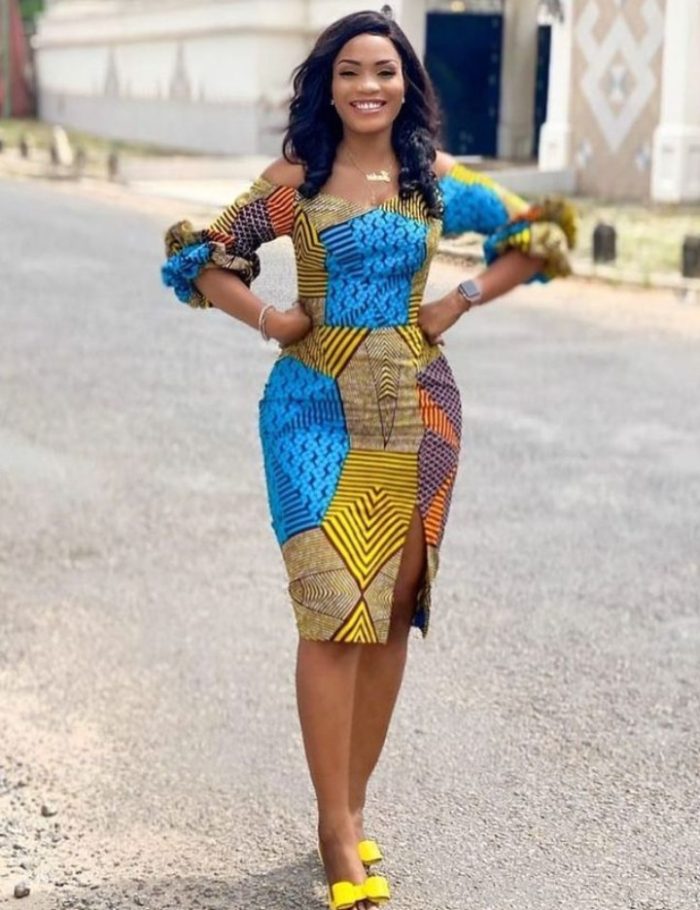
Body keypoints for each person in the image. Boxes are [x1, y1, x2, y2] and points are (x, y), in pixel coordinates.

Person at [162, 9, 575, 910]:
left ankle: (350, 810)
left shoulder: (433, 180)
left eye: (383, 71)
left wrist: (461, 298)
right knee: (330, 607)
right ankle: (333, 832)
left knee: (389, 606)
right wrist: (270, 318)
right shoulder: (298, 180)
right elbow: (197, 257)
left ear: (405, 84)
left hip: (418, 403)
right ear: (328, 84)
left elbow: (541, 233)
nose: (367, 87)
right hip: (312, 403)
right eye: (349, 71)